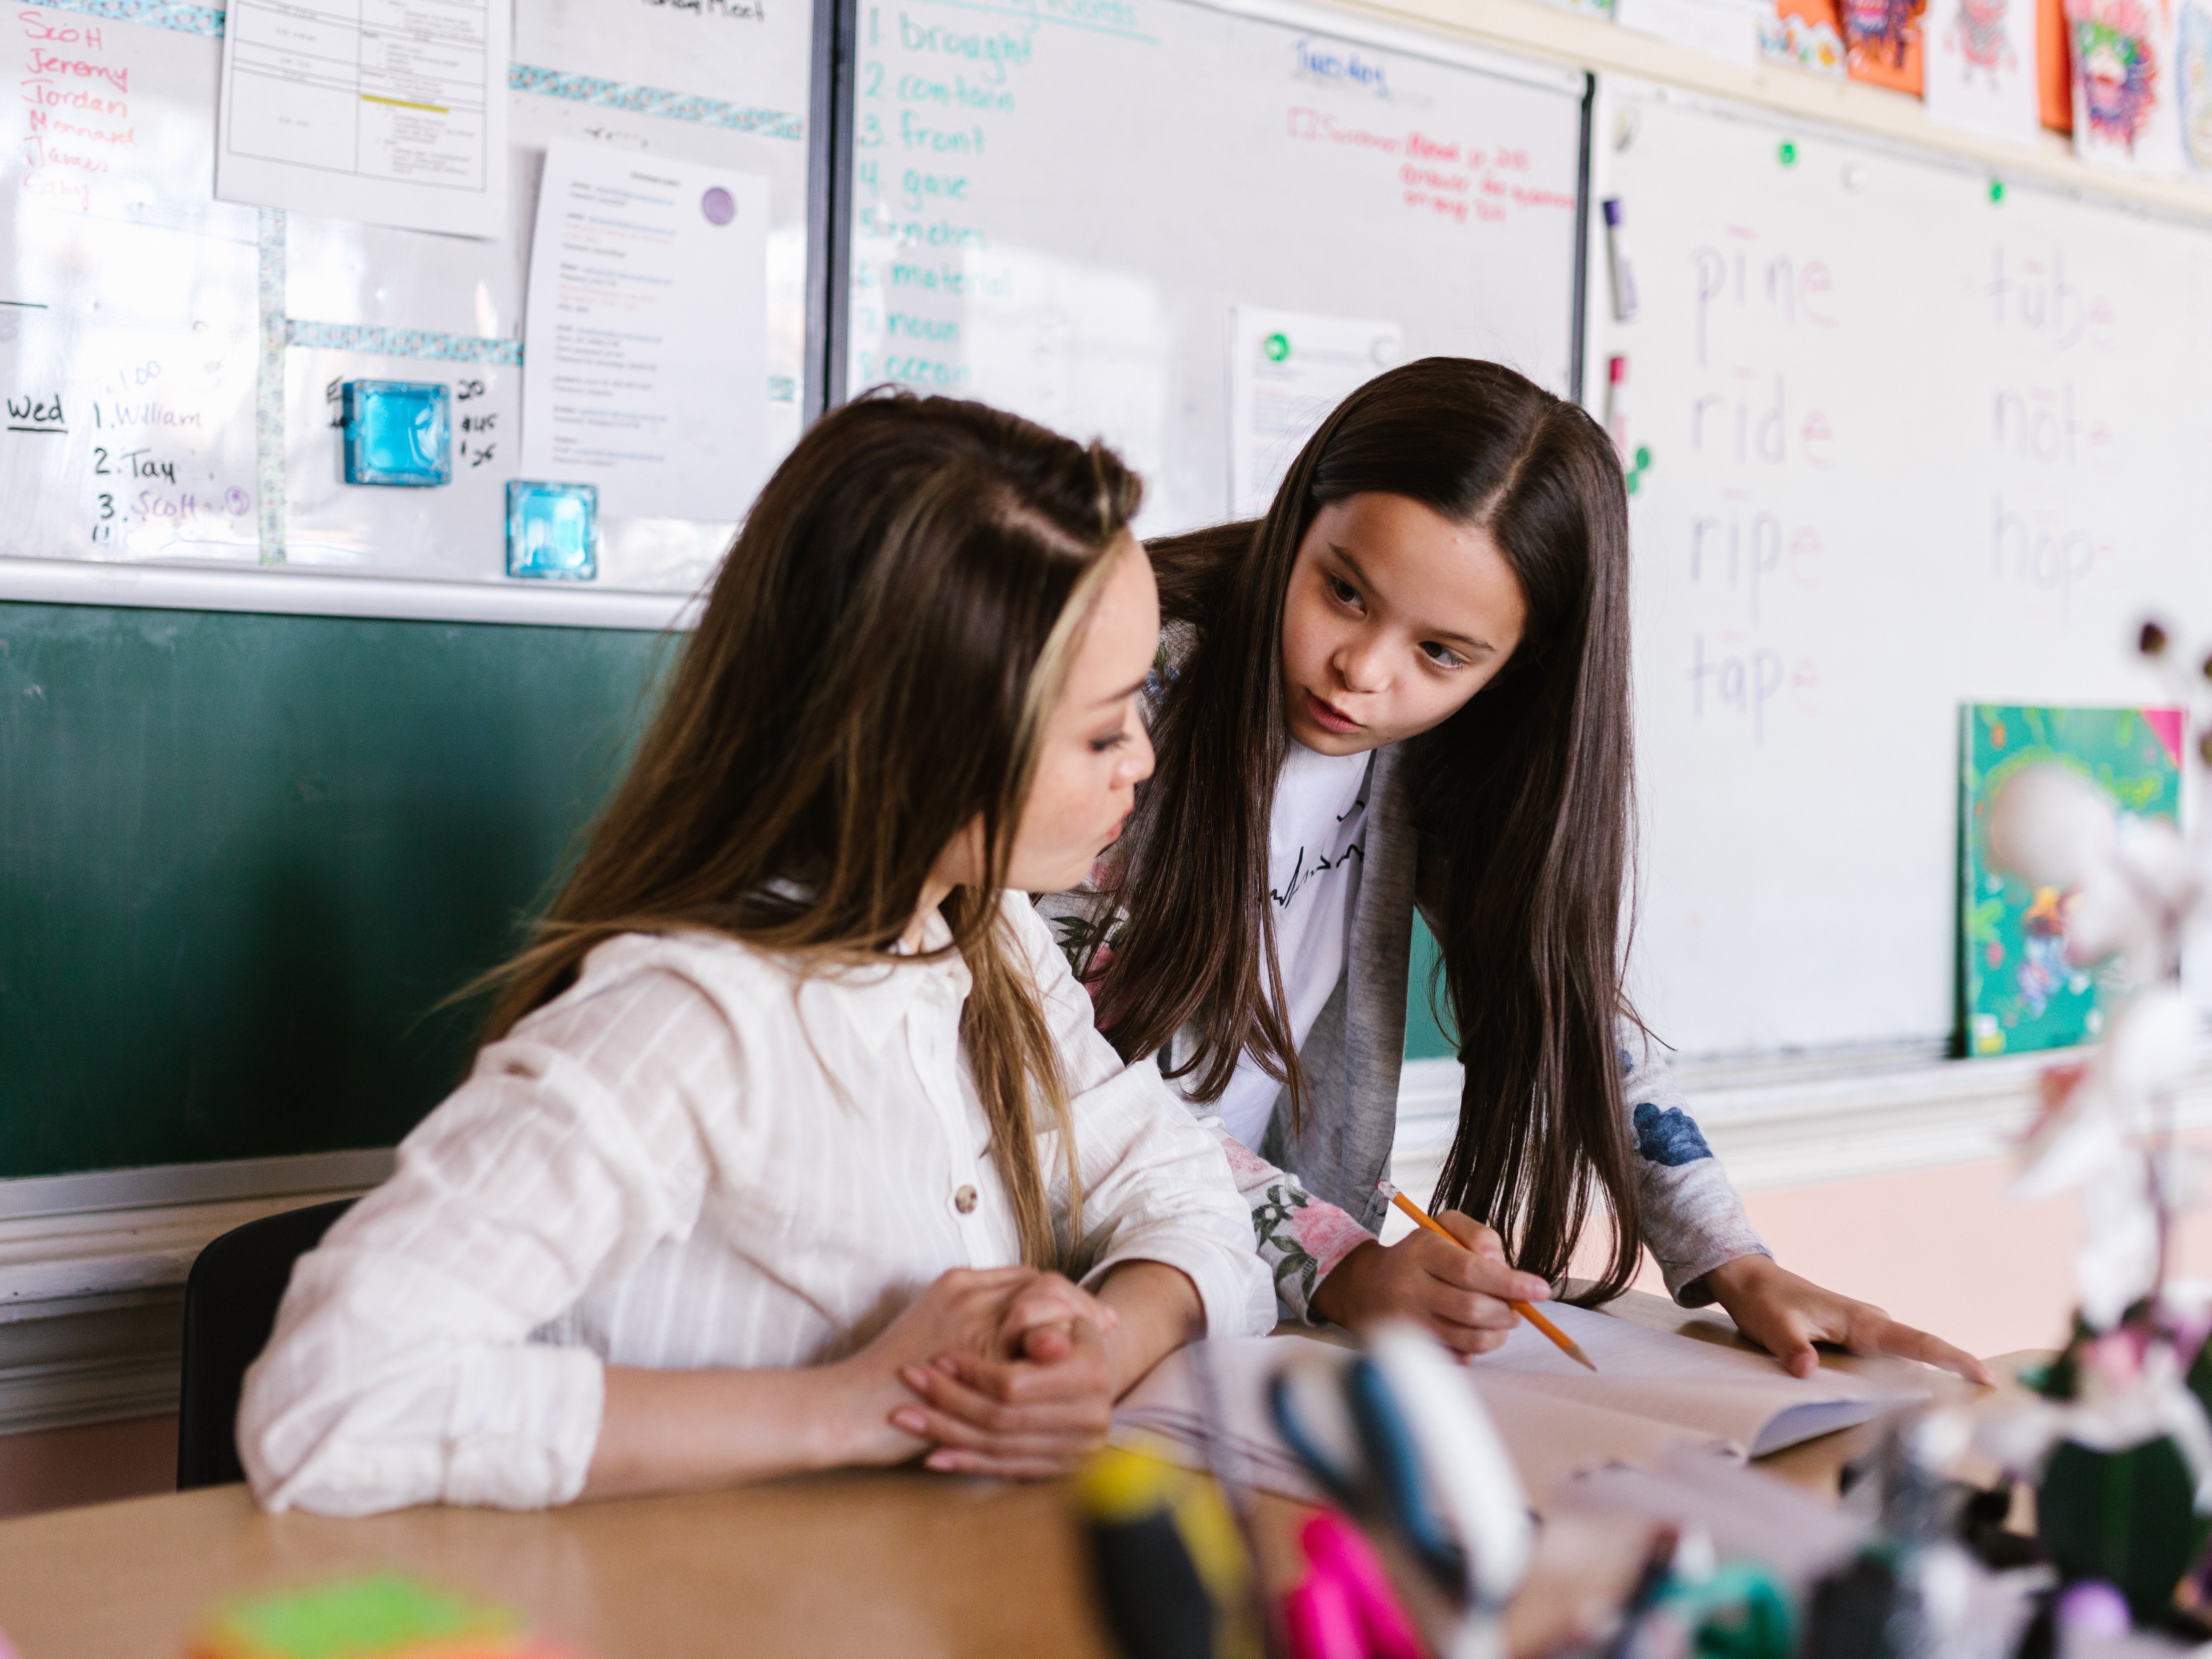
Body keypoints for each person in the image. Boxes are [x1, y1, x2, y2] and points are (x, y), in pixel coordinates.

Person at [239, 391, 1275, 1515]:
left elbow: (1184, 1188)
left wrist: (1095, 1342)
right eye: (1101, 726)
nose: (1143, 756)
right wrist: (861, 1402)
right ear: (930, 739)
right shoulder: (689, 1018)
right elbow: (324, 1397)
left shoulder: (986, 937)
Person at [1052, 357, 1989, 1384]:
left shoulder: (1434, 753)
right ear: (1299, 514)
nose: (1363, 670)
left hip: (1221, 1292)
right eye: (1344, 591)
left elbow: (1561, 1004)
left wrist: (1731, 1260)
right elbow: (1069, 1071)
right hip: (1054, 1258)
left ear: (1516, 668)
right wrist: (1342, 1264)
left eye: (1443, 652)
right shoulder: (1130, 702)